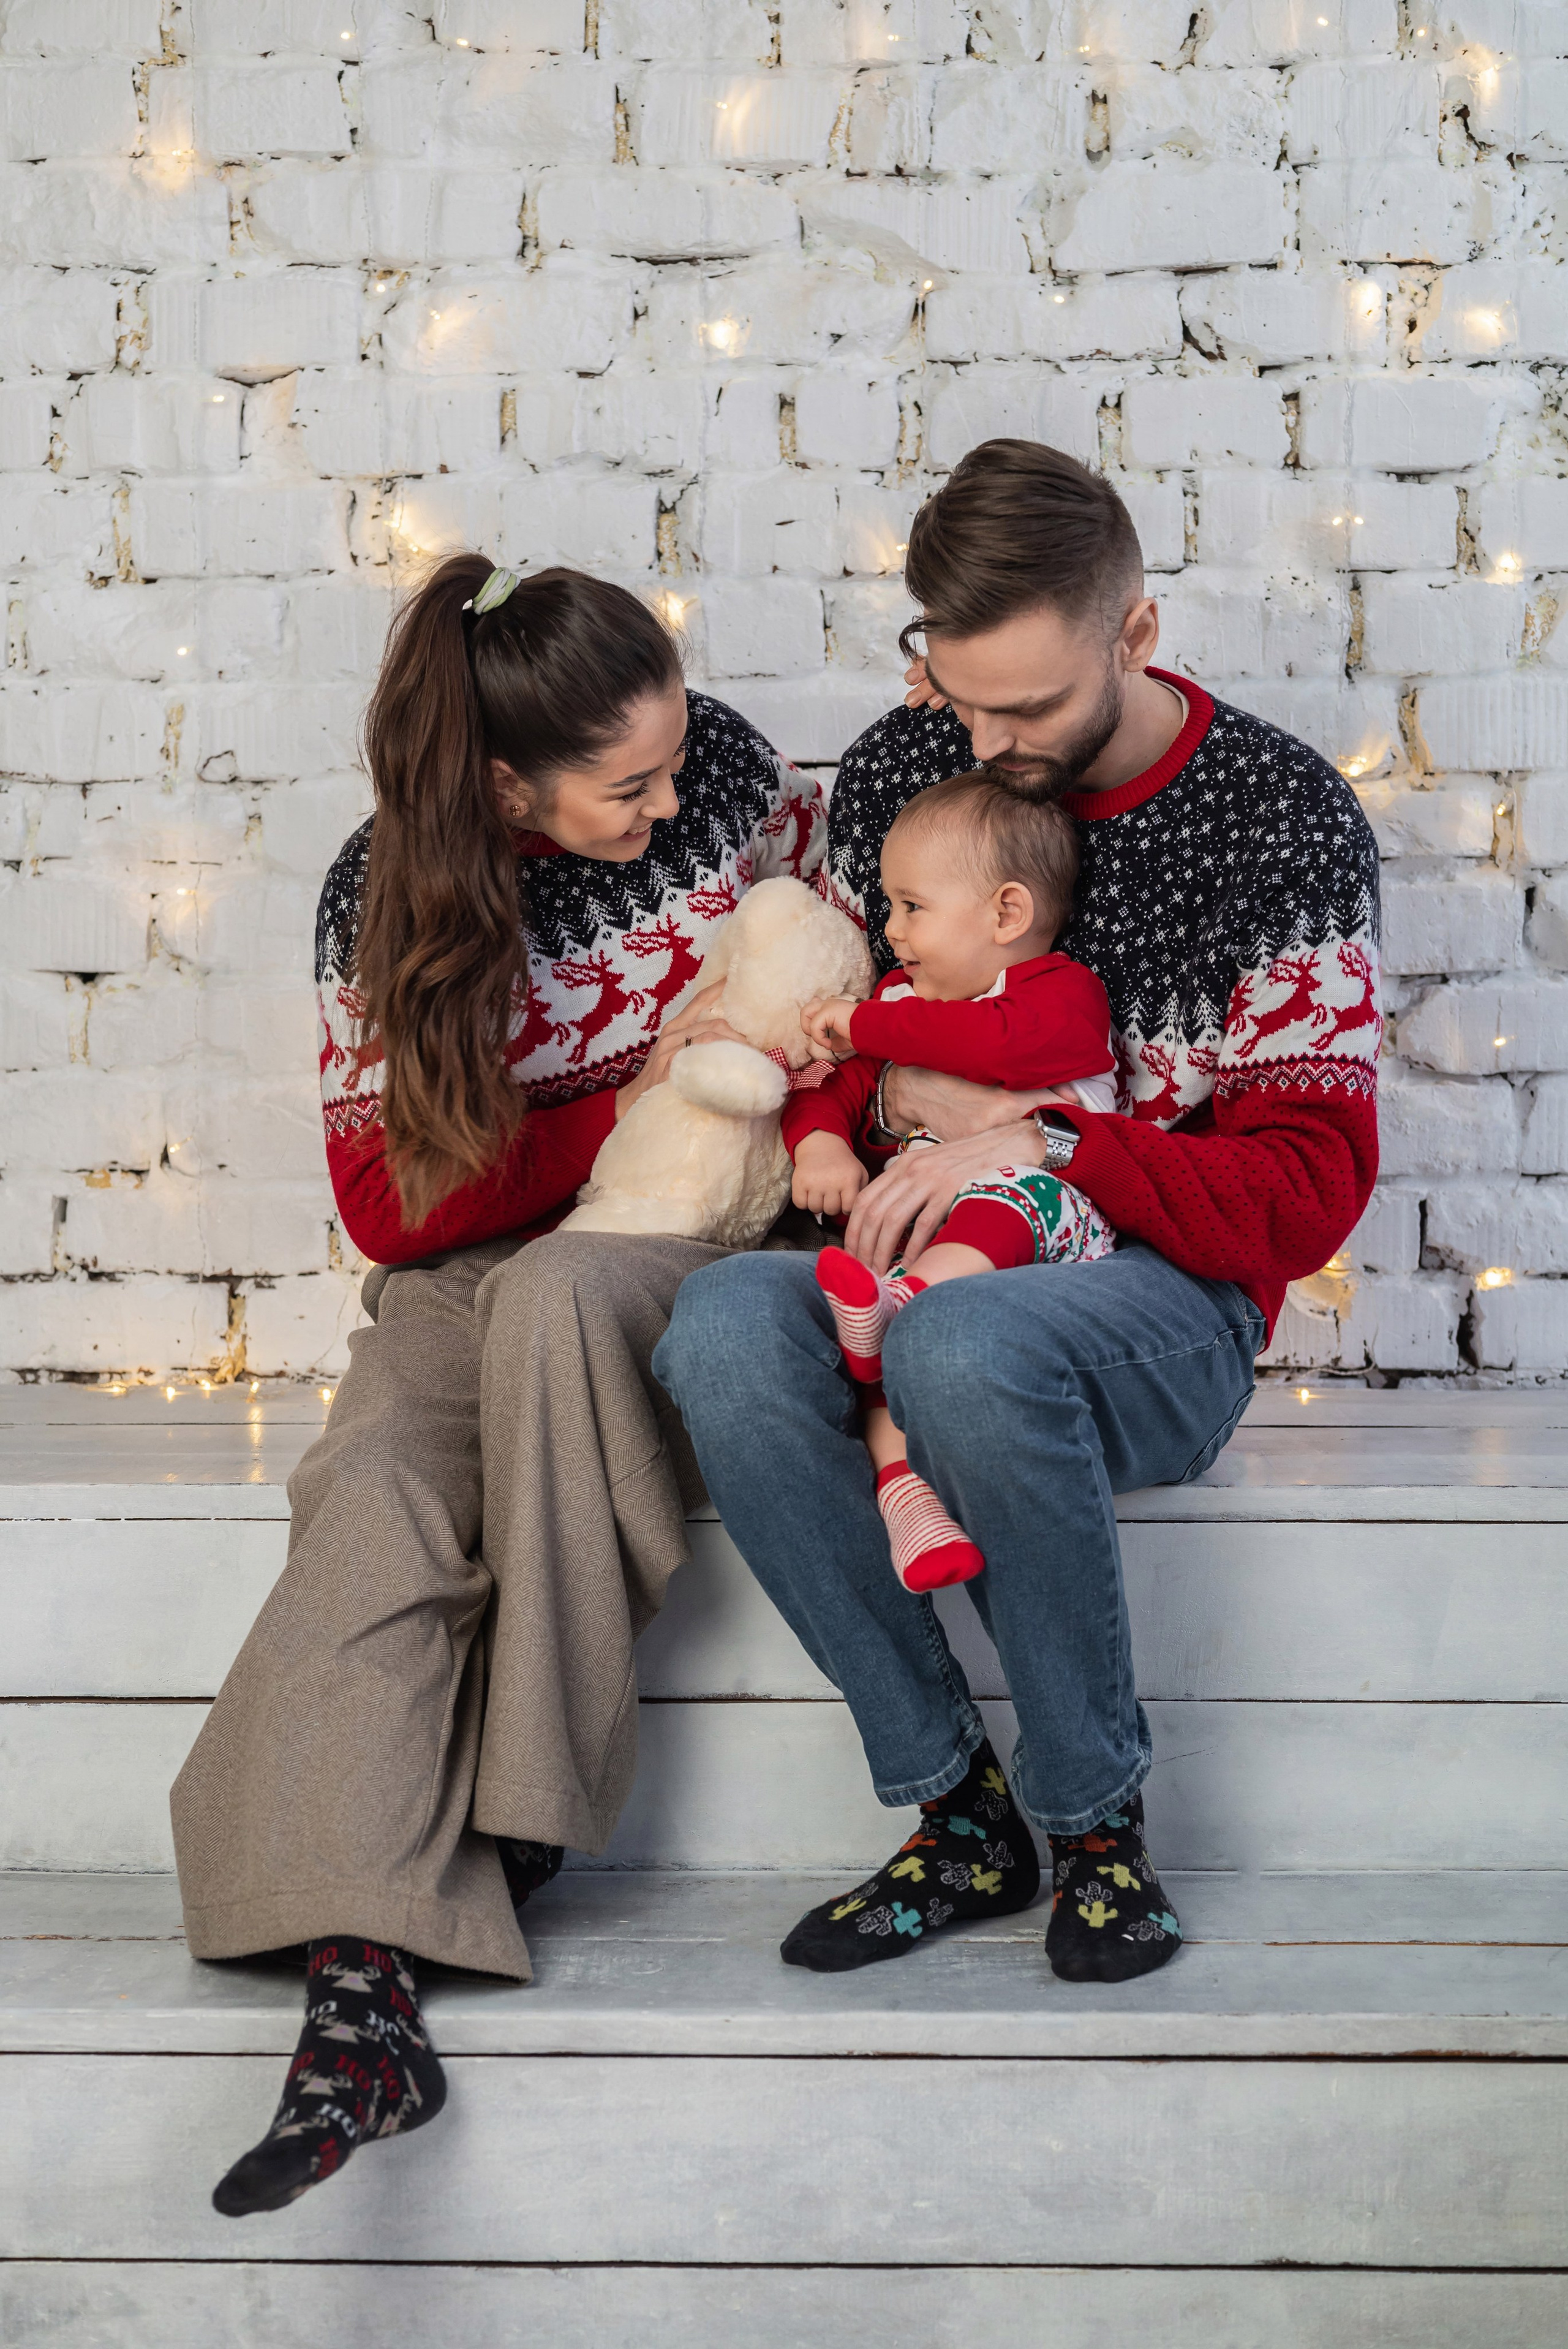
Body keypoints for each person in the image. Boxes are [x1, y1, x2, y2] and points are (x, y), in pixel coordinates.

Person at [655, 438, 1381, 1989]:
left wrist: (1044, 1138)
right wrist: (832, 1136)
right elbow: (843, 1042)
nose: (977, 738)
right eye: (952, 687)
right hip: (914, 1271)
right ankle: (950, 1813)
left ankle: (1092, 1828)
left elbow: (1303, 1197)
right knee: (719, 1327)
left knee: (973, 1348)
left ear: (1134, 633)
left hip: (1159, 1304)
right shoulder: (907, 768)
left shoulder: (1280, 826)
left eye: (1027, 706)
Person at [171, 553, 826, 2216]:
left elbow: (835, 975)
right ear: (502, 782)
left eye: (678, 757)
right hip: (473, 1258)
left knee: (554, 1305)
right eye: (633, 783)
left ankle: (512, 1829)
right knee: (376, 1482)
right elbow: (390, 1206)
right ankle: (360, 2012)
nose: (681, 800)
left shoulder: (734, 781)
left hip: (688, 1233)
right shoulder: (378, 897)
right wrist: (619, 1098)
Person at [785, 769, 1120, 1593]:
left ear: (1008, 913)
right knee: (861, 1298)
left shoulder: (1061, 994)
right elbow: (833, 1088)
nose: (890, 930)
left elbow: (994, 1046)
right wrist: (822, 1148)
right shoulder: (903, 999)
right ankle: (907, 1499)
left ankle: (900, 1305)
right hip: (928, 1239)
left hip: (1052, 1229)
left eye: (911, 906)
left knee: (1003, 1198)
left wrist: (865, 1021)